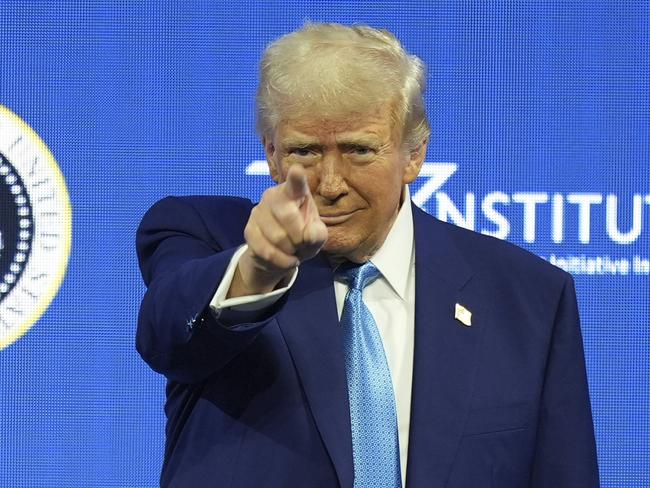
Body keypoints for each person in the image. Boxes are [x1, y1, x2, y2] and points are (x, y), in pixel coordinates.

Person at [136, 23, 599, 487]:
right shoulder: (203, 234)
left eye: (359, 150)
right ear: (272, 154)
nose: (331, 184)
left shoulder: (528, 297)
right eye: (305, 151)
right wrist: (260, 267)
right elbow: (168, 334)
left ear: (414, 155)